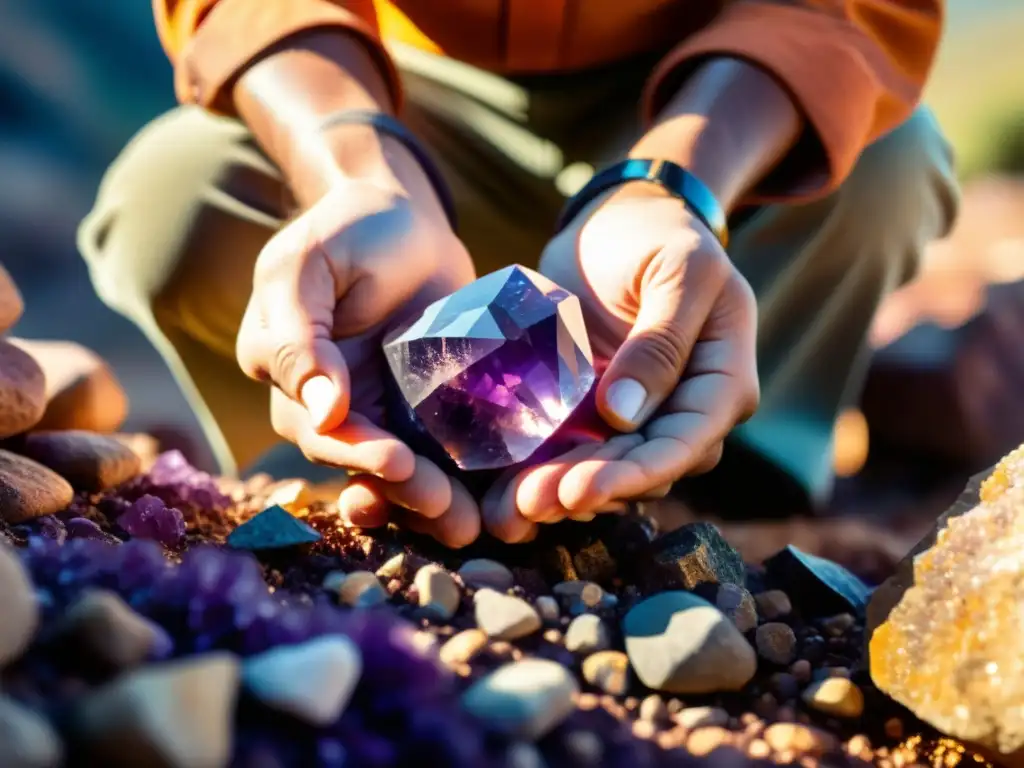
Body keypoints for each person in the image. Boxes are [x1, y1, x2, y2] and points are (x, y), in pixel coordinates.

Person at [79, 0, 957, 547]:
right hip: (391, 93)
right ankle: (323, 462)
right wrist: (357, 169)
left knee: (889, 162)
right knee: (172, 197)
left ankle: (744, 474)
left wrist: (673, 187)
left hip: (714, 98)